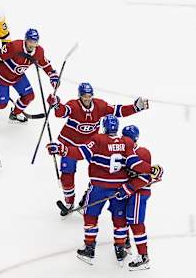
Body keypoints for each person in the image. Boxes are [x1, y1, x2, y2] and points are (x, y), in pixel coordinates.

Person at [46, 115, 163, 265]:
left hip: (99, 187)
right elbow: (134, 163)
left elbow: (80, 153)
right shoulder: (126, 142)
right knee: (119, 219)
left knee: (90, 214)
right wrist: (151, 169)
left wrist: (62, 149)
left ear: (104, 127)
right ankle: (121, 247)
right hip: (119, 189)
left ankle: (89, 247)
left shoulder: (98, 139)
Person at [46, 82, 149, 212]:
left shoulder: (100, 105)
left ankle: (86, 200)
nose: (87, 98)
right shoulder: (74, 105)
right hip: (70, 143)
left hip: (91, 145)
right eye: (84, 96)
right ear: (79, 96)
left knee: (101, 172)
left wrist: (135, 108)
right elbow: (62, 112)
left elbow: (117, 111)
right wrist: (56, 104)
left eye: (89, 95)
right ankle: (69, 203)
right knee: (67, 175)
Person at [0, 28, 59, 123]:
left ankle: (14, 114)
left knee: (29, 96)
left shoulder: (39, 52)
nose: (32, 44)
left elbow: (45, 64)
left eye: (35, 42)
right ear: (25, 40)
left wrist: (53, 75)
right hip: (1, 77)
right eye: (30, 41)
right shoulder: (15, 46)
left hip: (18, 77)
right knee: (2, 104)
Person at [115, 125, 160, 270]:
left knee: (135, 222)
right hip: (128, 192)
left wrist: (127, 188)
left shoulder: (142, 152)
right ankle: (126, 243)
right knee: (125, 219)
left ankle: (143, 256)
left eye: (128, 137)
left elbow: (147, 176)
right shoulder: (122, 152)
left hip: (139, 193)